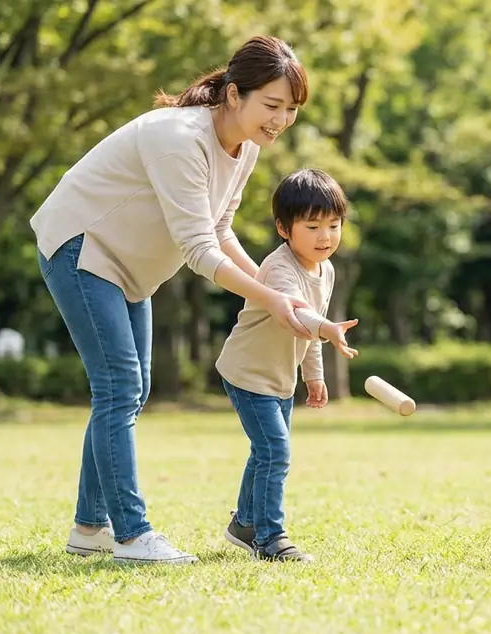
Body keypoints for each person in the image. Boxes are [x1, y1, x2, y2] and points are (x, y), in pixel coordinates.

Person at [33, 36, 316, 565]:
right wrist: (269, 297)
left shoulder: (245, 146)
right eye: (271, 105)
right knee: (121, 387)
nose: (280, 120)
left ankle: (89, 527)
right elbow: (198, 249)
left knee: (125, 393)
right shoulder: (180, 138)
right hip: (81, 246)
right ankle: (132, 534)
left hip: (128, 268)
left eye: (291, 110)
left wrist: (277, 296)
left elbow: (220, 227)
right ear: (234, 94)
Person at [214, 168, 359, 562]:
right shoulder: (279, 268)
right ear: (283, 228)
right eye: (312, 226)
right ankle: (270, 538)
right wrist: (327, 328)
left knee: (266, 451)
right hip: (247, 374)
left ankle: (245, 522)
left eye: (333, 225)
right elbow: (299, 315)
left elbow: (308, 330)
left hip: (279, 378)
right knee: (275, 451)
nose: (325, 236)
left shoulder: (325, 269)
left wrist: (314, 376)